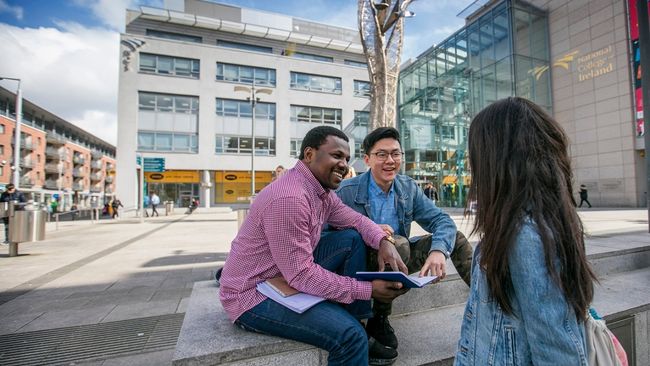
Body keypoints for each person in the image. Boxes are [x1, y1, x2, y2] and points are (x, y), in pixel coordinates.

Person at [219, 126, 410, 366]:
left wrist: (384, 241)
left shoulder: (320, 191)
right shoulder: (290, 198)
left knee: (351, 237)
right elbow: (300, 274)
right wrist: (368, 290)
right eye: (337, 156)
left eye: (347, 159)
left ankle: (360, 321)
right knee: (350, 337)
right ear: (309, 154)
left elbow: (356, 220)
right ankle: (357, 334)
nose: (343, 164)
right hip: (253, 292)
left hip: (282, 271)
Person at [455, 97, 596, 365]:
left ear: (497, 161)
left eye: (476, 155)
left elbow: (558, 351)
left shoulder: (526, 238)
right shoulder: (526, 226)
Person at [335, 127, 473, 364]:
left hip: (399, 260)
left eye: (395, 154)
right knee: (396, 242)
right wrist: (368, 230)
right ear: (367, 159)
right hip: (362, 263)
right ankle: (378, 318)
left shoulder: (407, 188)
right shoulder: (347, 191)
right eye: (381, 154)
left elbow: (442, 220)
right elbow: (327, 235)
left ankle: (490, 299)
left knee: (456, 238)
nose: (390, 161)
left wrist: (439, 250)